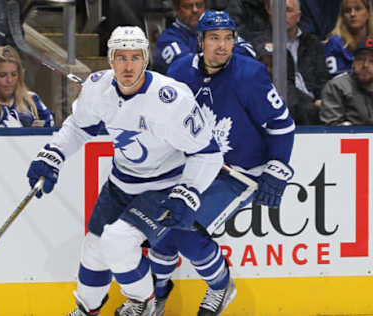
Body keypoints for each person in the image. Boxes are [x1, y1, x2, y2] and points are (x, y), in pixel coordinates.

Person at [26, 25, 242, 316]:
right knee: (94, 247)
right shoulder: (97, 87)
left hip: (162, 186)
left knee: (119, 241)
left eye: (135, 57)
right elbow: (78, 128)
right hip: (121, 182)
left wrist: (188, 191)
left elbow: (208, 153)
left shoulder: (172, 100)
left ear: (146, 59)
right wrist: (53, 155)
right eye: (121, 57)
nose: (128, 66)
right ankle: (87, 308)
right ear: (111, 60)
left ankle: (143, 303)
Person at [155, 10, 295, 315]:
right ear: (200, 41)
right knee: (157, 228)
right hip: (192, 168)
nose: (222, 45)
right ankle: (156, 295)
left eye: (228, 38)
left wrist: (277, 169)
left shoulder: (250, 74)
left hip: (238, 173)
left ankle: (220, 286)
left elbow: (282, 126)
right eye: (214, 38)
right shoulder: (179, 71)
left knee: (186, 230)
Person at [251, 0, 328, 124]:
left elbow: (323, 79)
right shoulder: (258, 44)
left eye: (288, 10)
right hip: (276, 103)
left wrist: (322, 99)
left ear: (298, 16)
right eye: (278, 10)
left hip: (312, 107)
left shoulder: (312, 43)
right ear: (270, 13)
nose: (282, 15)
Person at [153, 0, 255, 74]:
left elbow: (248, 51)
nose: (195, 10)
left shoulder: (218, 29)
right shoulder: (168, 39)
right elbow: (189, 69)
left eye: (199, 5)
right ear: (176, 9)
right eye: (188, 6)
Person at [320, 36, 373, 125]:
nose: (365, 65)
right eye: (360, 59)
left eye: (372, 61)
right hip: (350, 138)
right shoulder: (338, 86)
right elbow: (332, 128)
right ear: (353, 62)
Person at [324, 0, 373, 76]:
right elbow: (334, 79)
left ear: (368, 13)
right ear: (343, 16)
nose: (352, 14)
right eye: (347, 11)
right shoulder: (334, 43)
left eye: (358, 9)